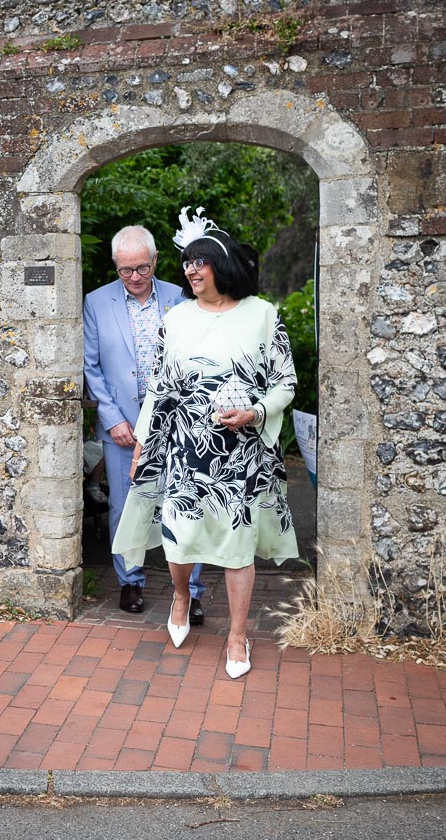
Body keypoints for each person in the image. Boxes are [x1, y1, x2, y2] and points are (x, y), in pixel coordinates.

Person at [113, 209, 299, 678]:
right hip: (182, 449)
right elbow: (159, 386)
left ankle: (237, 637)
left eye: (200, 262)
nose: (190, 271)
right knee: (179, 542)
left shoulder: (262, 314)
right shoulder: (175, 319)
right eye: (187, 264)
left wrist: (256, 411)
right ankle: (180, 594)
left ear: (222, 263)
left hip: (241, 453)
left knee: (238, 546)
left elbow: (286, 383)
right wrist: (142, 443)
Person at [82, 225, 204, 619]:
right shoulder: (96, 302)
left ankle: (191, 590)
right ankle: (130, 582)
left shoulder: (182, 297)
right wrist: (111, 417)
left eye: (141, 269)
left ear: (155, 261)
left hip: (179, 423)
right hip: (124, 428)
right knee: (125, 507)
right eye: (125, 271)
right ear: (115, 267)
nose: (134, 278)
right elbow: (92, 366)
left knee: (185, 504)